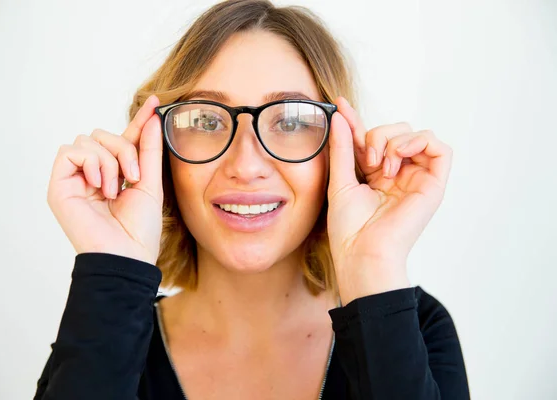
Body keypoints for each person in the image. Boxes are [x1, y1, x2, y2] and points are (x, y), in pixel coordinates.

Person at [35, 0, 470, 398]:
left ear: (341, 151)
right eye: (205, 119)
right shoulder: (103, 328)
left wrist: (371, 263)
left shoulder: (417, 328)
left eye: (292, 120)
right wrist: (114, 268)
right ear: (160, 150)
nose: (246, 165)